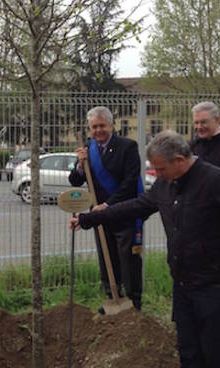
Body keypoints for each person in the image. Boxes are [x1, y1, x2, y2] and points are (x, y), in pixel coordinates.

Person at [70, 130, 220, 368]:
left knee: (214, 354)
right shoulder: (166, 185)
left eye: (161, 169)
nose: (157, 174)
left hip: (215, 286)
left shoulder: (215, 180)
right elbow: (137, 206)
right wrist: (89, 219)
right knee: (188, 351)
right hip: (183, 283)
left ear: (180, 161)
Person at [68, 106, 144, 312]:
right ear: (89, 128)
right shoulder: (87, 149)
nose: (98, 130)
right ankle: (112, 297)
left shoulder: (128, 147)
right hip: (100, 217)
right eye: (94, 127)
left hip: (124, 212)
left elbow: (129, 183)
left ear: (111, 125)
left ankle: (133, 303)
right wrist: (80, 165)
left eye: (102, 126)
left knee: (128, 259)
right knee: (106, 257)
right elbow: (75, 180)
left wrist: (109, 205)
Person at [190, 101, 220, 170]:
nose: (199, 127)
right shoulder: (191, 146)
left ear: (217, 120)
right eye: (196, 123)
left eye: (203, 122)